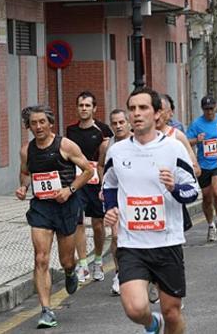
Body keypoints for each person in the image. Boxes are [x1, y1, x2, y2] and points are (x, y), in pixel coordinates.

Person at [102, 88, 199, 334]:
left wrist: (174, 187)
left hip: (167, 241)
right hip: (132, 242)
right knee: (135, 308)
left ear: (157, 114)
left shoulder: (173, 149)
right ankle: (151, 323)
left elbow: (192, 190)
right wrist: (111, 209)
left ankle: (163, 321)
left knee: (172, 311)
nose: (136, 114)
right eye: (132, 108)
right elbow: (110, 184)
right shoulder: (117, 151)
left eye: (143, 108)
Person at [16, 105, 94, 328]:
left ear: (50, 123)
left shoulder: (65, 145)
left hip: (66, 207)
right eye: (33, 123)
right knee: (41, 257)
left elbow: (88, 170)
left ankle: (70, 272)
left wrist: (69, 190)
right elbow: (24, 173)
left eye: (42, 122)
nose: (38, 127)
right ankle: (46, 310)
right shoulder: (26, 151)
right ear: (28, 126)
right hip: (41, 207)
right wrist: (23, 188)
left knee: (66, 260)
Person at [66, 91, 114, 283]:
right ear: (77, 108)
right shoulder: (70, 131)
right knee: (78, 223)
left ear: (94, 108)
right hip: (78, 183)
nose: (84, 109)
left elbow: (108, 157)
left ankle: (98, 260)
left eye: (87, 105)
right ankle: (83, 264)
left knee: (98, 225)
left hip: (96, 183)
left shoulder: (103, 130)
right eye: (81, 105)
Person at [97, 108, 132, 295]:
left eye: (121, 122)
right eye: (114, 123)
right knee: (117, 235)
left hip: (134, 195)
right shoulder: (107, 146)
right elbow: (101, 165)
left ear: (128, 123)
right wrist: (103, 186)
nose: (118, 126)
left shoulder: (137, 142)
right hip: (114, 194)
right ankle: (119, 273)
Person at [187, 96, 217, 242]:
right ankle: (210, 225)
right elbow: (186, 141)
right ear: (202, 109)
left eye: (211, 108)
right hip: (203, 165)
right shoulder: (196, 124)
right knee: (207, 198)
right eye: (206, 109)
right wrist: (197, 139)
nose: (209, 112)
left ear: (215, 107)